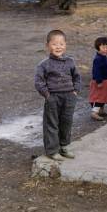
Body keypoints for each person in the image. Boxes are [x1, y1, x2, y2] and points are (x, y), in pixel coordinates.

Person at [34, 30, 81, 161]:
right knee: (52, 124)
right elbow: (39, 81)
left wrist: (75, 91)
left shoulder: (70, 61)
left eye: (61, 44)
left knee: (66, 122)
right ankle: (52, 150)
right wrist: (47, 95)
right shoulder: (44, 64)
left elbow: (77, 77)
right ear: (47, 45)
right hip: (53, 98)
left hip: (69, 97)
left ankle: (64, 146)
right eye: (54, 44)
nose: (58, 47)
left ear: (65, 45)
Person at [89, 37, 107, 121]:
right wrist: (99, 81)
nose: (105, 49)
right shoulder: (98, 59)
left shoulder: (104, 57)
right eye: (103, 47)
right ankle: (94, 112)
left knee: (104, 96)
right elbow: (96, 71)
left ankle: (101, 110)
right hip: (101, 81)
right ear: (98, 48)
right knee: (99, 97)